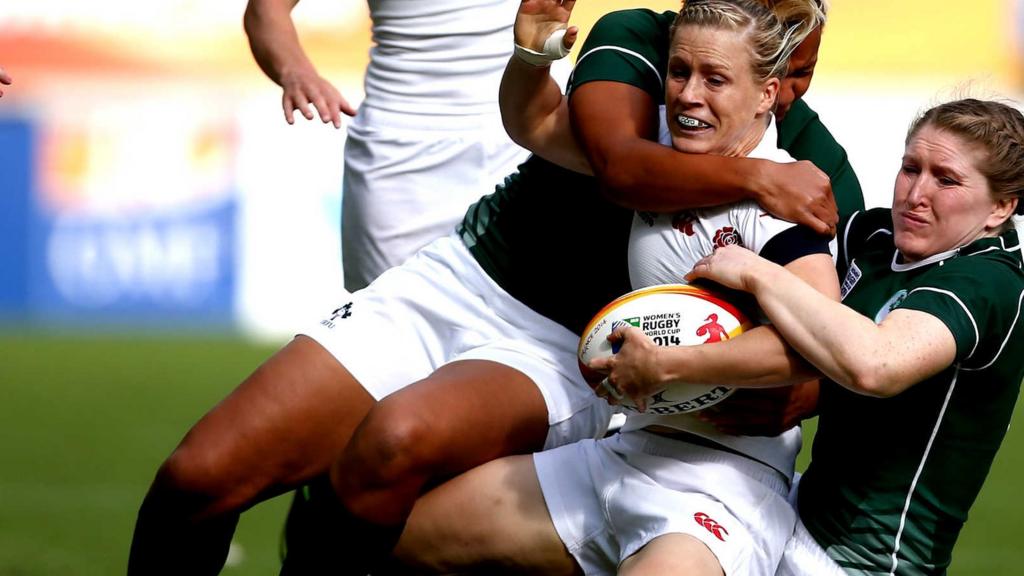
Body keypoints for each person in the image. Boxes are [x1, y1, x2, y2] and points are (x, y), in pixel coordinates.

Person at [127, 1, 853, 574]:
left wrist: (776, 386)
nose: (790, 87)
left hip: (568, 349)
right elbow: (614, 165)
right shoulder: (642, 41)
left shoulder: (816, 169)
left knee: (392, 449)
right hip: (467, 277)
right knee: (198, 478)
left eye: (798, 65)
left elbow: (837, 343)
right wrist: (756, 176)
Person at [382, 2, 840, 574]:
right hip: (621, 453)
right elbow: (539, 124)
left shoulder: (781, 204)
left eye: (716, 80)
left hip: (720, 483)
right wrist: (530, 58)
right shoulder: (663, 161)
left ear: (766, 95)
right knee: (400, 542)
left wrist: (673, 368)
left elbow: (821, 341)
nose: (689, 95)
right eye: (679, 72)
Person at [590, 97, 1024, 574]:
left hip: (867, 562)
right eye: (910, 168)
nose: (916, 193)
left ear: (1000, 206)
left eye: (946, 179)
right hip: (801, 517)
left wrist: (758, 274)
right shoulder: (876, 238)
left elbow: (876, 365)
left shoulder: (989, 283)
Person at [243, 0, 538, 292]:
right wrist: (296, 71)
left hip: (528, 135)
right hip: (401, 154)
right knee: (385, 323)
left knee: (544, 318)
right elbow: (266, 10)